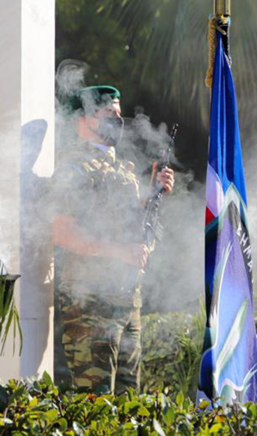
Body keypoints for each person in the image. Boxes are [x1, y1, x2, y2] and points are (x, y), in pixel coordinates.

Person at [51, 85, 175, 393]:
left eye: (118, 114)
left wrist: (154, 197)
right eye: (107, 114)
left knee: (128, 403)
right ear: (82, 120)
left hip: (126, 301)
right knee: (95, 404)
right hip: (90, 304)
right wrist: (119, 251)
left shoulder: (122, 170)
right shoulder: (72, 168)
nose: (116, 121)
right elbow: (63, 231)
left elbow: (130, 227)